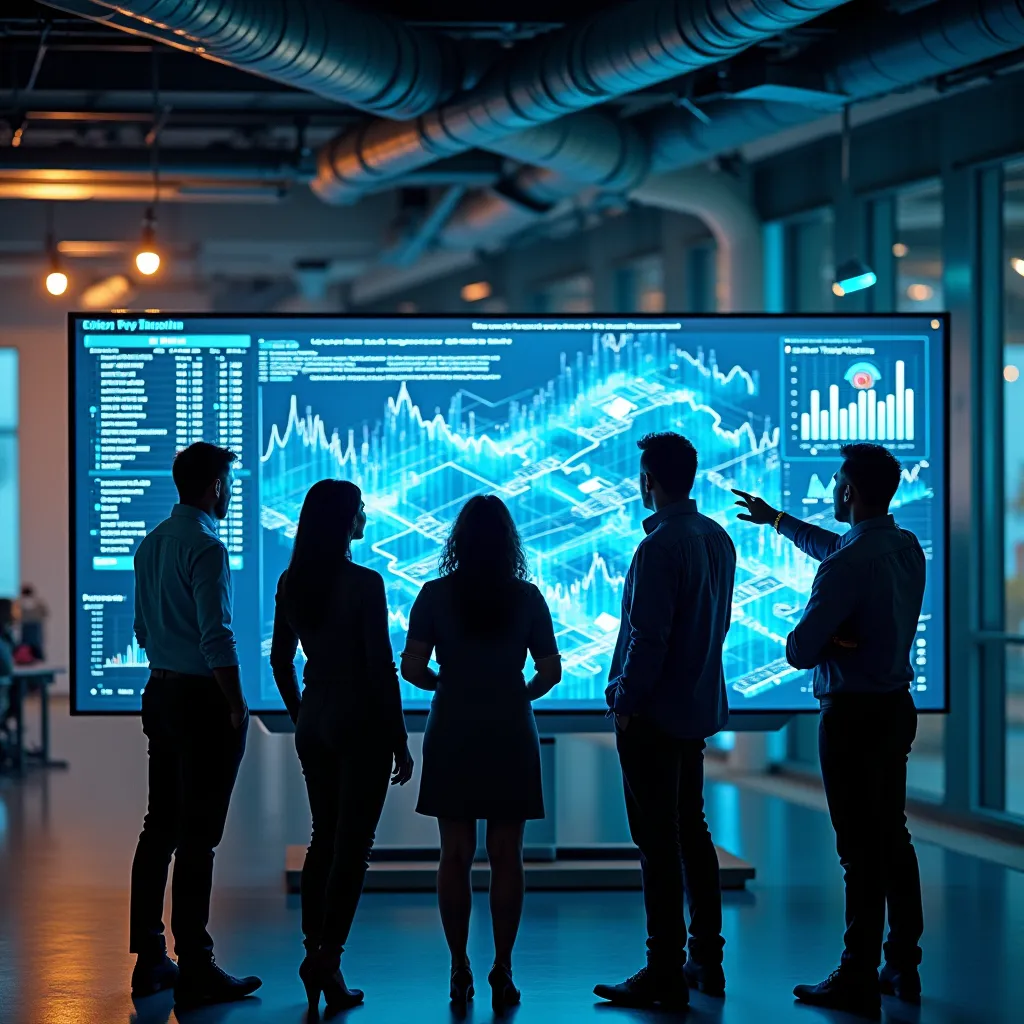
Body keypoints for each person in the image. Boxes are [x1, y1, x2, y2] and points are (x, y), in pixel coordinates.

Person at [733, 442, 925, 1017]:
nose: (833, 491)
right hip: (894, 709)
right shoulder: (904, 545)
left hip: (851, 719)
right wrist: (777, 521)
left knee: (858, 852)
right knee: (892, 837)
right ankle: (901, 964)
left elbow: (798, 650)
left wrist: (825, 640)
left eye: (838, 483)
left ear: (850, 492)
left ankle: (856, 976)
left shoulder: (848, 565)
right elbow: (838, 550)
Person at [401, 495, 561, 1013]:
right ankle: (504, 966)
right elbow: (550, 671)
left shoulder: (433, 595)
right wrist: (518, 693)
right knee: (507, 855)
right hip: (510, 727)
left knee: (454, 852)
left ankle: (458, 966)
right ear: (509, 543)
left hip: (453, 726)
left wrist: (445, 684)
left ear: (458, 542)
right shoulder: (528, 597)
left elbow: (411, 668)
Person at [594, 432, 735, 1013]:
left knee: (656, 843)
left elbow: (648, 639)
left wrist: (625, 701)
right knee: (693, 834)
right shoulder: (718, 539)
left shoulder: (657, 549)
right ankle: (706, 959)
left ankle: (663, 971)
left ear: (649, 481)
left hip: (651, 715)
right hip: (695, 709)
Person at [270, 479, 414, 1014]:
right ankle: (328, 958)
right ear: (344, 521)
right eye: (360, 511)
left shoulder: (291, 581)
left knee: (322, 839)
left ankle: (316, 954)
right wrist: (399, 736)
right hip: (362, 724)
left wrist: (300, 713)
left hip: (317, 719)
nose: (366, 518)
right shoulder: (365, 583)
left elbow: (281, 661)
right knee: (353, 847)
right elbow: (380, 665)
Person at [129, 442, 261, 1009]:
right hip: (203, 701)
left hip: (159, 692)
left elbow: (140, 628)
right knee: (200, 837)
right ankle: (198, 965)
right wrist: (235, 703)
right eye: (228, 483)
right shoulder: (207, 546)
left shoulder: (150, 544)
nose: (230, 492)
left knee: (160, 826)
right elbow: (217, 636)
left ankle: (151, 959)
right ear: (214, 487)